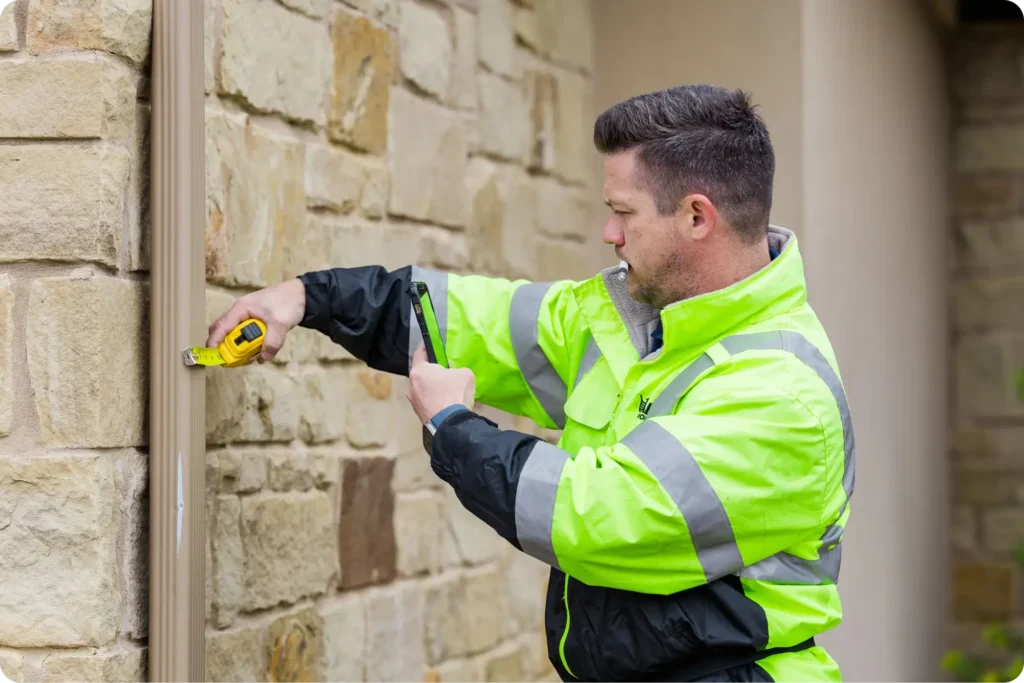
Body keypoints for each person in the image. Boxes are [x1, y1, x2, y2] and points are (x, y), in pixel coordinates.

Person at [207, 84, 854, 683]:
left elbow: (597, 518)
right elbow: (467, 321)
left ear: (695, 217)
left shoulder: (781, 394)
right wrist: (306, 298)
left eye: (622, 212)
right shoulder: (632, 319)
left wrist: (454, 431)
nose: (609, 233)